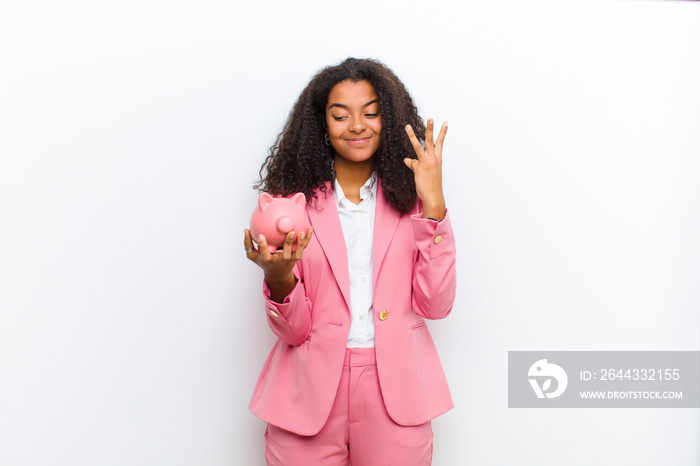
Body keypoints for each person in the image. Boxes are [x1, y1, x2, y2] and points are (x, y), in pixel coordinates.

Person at [243, 57, 457, 466]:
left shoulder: (413, 201)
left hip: (397, 395)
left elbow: (437, 304)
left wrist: (433, 202)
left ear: (388, 120)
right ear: (322, 125)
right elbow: (294, 331)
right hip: (306, 397)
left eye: (371, 113)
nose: (357, 125)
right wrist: (279, 276)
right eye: (340, 115)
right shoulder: (291, 206)